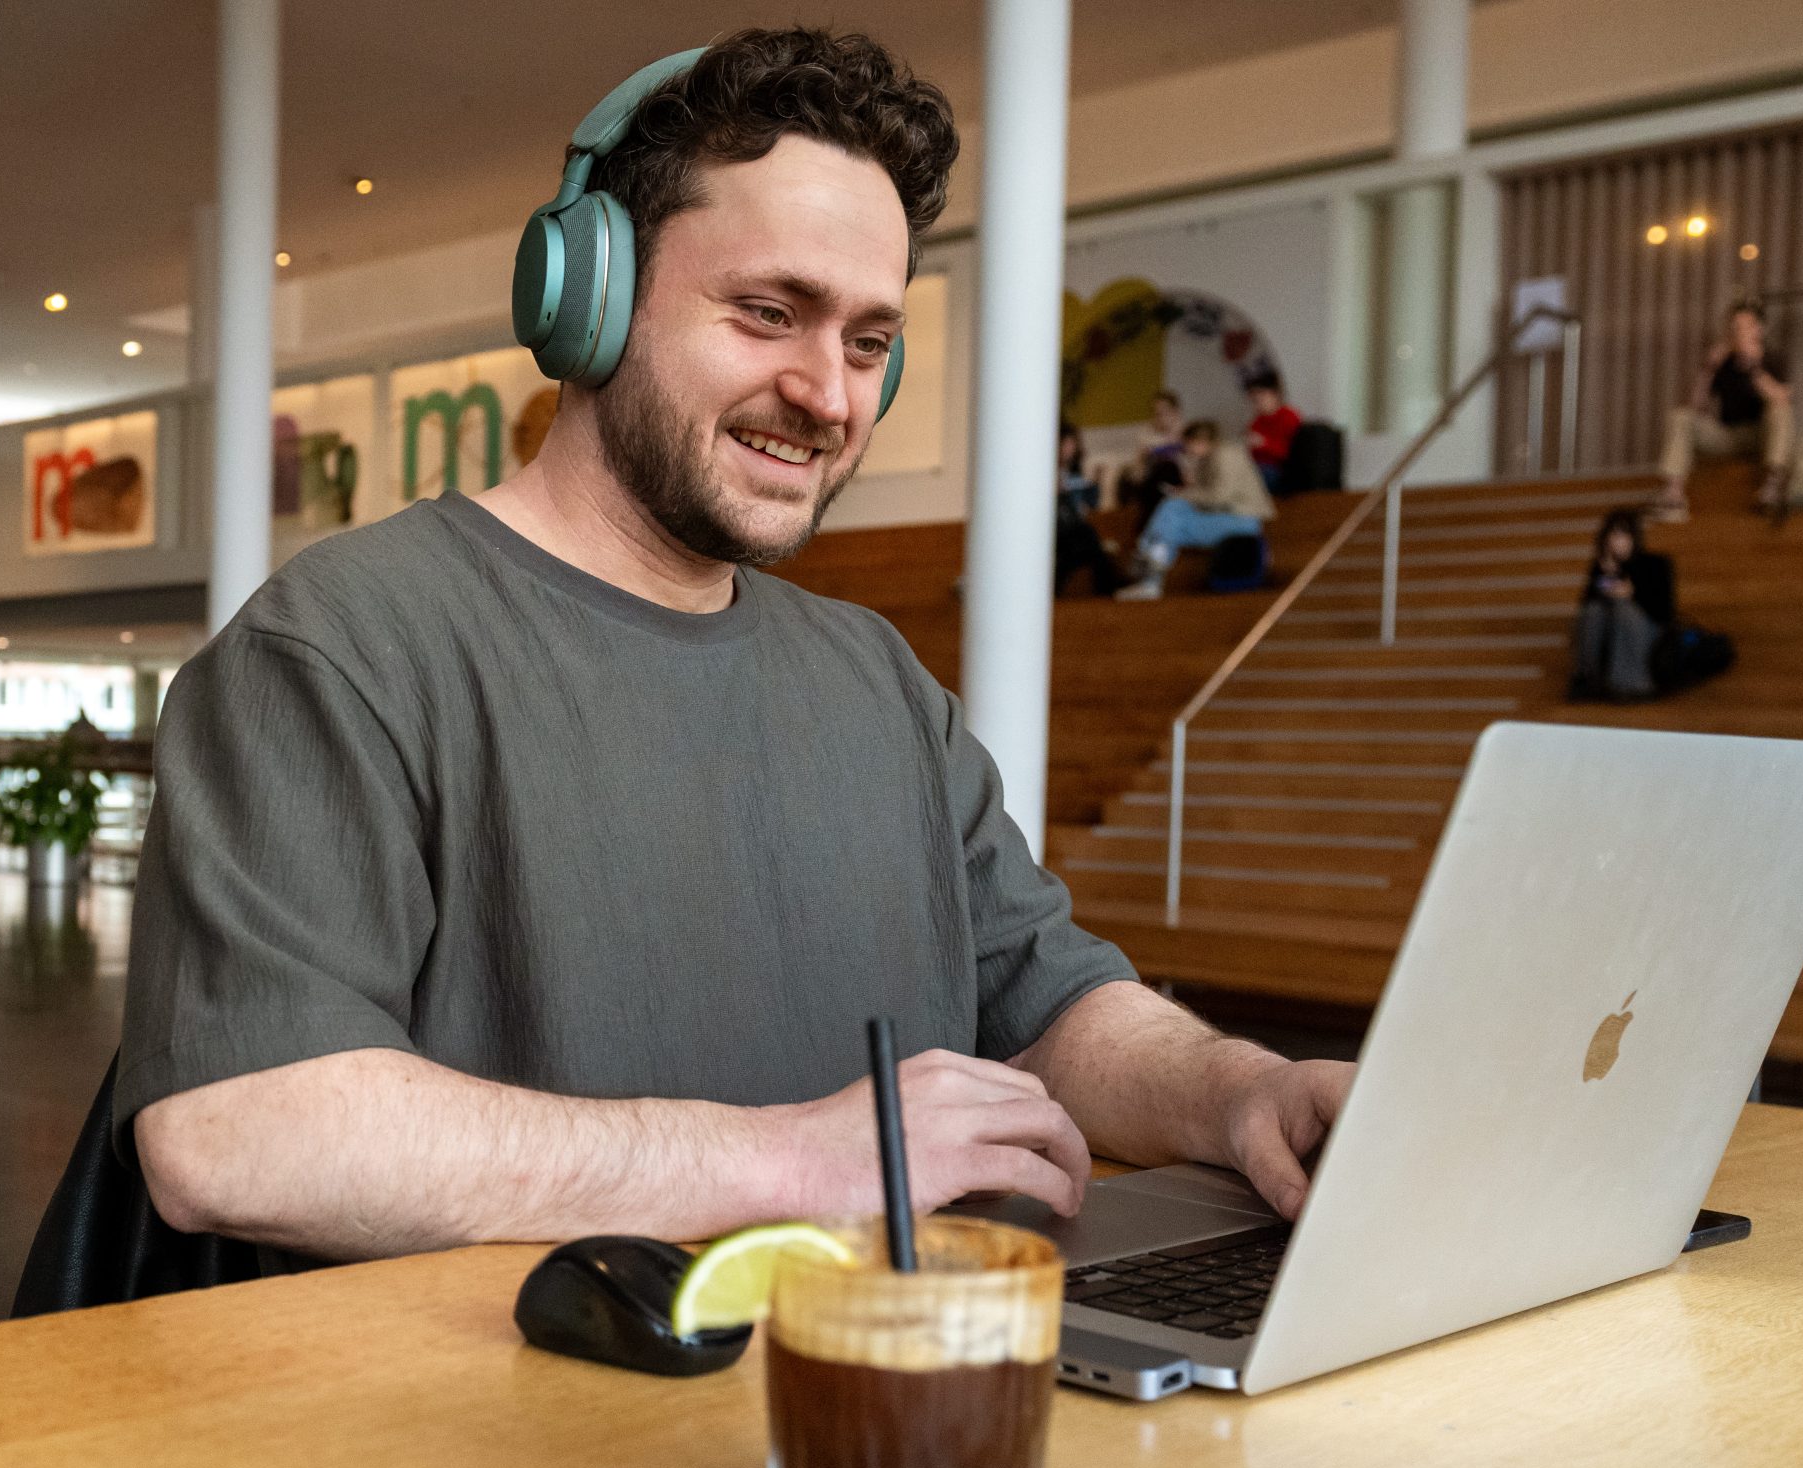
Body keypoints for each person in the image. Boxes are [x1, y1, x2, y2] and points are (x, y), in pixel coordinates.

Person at [118, 29, 1352, 1275]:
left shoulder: (878, 683)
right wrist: (787, 1161)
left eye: (866, 342)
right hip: (513, 1394)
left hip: (865, 1369)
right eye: (769, 314)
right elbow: (235, 1129)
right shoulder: (343, 644)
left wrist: (1243, 1093)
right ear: (591, 300)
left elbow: (1050, 1013)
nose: (828, 393)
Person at [1568, 508, 1731, 702]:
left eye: (1623, 535)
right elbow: (1588, 603)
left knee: (1623, 608)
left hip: (1653, 629)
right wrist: (1608, 572)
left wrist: (1632, 594)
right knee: (1594, 611)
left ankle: (1633, 682)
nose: (1618, 541)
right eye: (1614, 535)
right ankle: (1587, 677)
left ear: (1634, 537)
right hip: (1614, 631)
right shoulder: (1603, 567)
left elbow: (1663, 610)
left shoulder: (1654, 564)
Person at [1655, 299, 1792, 521]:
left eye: (1745, 326)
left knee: (1781, 411)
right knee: (1681, 417)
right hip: (1728, 435)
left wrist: (1753, 366)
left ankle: (1773, 484)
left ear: (1759, 329)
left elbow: (1782, 398)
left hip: (1760, 435)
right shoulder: (1723, 363)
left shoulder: (1772, 358)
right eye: (1735, 327)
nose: (1739, 333)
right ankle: (1673, 494)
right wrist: (1709, 368)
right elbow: (1695, 406)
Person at [1119, 421, 1275, 600]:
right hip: (1226, 516)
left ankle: (1148, 567)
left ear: (1199, 441)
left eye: (1188, 445)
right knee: (1171, 516)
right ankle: (1149, 570)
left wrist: (1184, 494)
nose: (1187, 450)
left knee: (1172, 513)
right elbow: (1204, 494)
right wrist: (1187, 488)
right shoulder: (1209, 458)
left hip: (1242, 520)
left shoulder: (1227, 456)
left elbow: (1219, 496)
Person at [1054, 420, 1125, 596]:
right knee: (1087, 537)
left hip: (1073, 533)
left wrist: (1096, 481)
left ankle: (1107, 591)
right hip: (1058, 530)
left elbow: (1093, 503)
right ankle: (1111, 589)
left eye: (1072, 443)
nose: (1069, 448)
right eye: (1066, 443)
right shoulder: (1045, 470)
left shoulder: (1077, 470)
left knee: (1089, 549)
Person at [1128, 389, 1188, 522]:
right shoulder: (1147, 436)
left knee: (1168, 467)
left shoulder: (1187, 433)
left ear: (1176, 412)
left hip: (1182, 481)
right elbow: (1137, 474)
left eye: (1165, 412)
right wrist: (1143, 460)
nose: (1160, 417)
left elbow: (1193, 466)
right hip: (1154, 483)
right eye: (1156, 413)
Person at [1244, 373, 1302, 493]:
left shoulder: (1289, 417)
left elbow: (1290, 454)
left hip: (1280, 471)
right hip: (1258, 467)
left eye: (1261, 396)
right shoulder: (1257, 421)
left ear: (1275, 394)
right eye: (1254, 399)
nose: (1258, 402)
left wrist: (1264, 444)